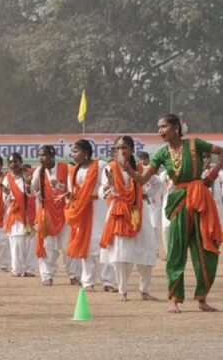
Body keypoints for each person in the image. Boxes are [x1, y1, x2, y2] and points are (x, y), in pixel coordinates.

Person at [133, 114, 223, 312]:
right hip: (179, 203)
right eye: (159, 127)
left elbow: (221, 152)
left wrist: (212, 175)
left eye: (164, 126)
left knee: (205, 250)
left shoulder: (194, 144)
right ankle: (173, 299)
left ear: (176, 128)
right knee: (176, 251)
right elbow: (141, 180)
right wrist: (128, 170)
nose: (160, 131)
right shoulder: (161, 154)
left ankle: (202, 298)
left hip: (199, 200)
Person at [100, 136, 155, 302]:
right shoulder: (110, 168)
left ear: (132, 149)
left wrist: (145, 194)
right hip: (118, 213)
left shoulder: (141, 168)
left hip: (139, 212)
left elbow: (157, 183)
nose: (121, 151)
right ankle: (122, 291)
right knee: (120, 254)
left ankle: (144, 290)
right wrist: (109, 189)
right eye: (118, 148)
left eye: (124, 147)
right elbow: (102, 191)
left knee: (147, 250)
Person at [64, 140, 110, 292]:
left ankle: (108, 281)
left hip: (100, 207)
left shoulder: (101, 165)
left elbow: (108, 185)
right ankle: (88, 282)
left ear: (86, 152)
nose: (73, 155)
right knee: (87, 244)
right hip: (82, 211)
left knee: (104, 243)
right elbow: (72, 191)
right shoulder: (74, 170)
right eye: (72, 152)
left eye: (76, 151)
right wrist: (67, 194)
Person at [32, 145, 69, 285]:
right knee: (47, 245)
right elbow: (33, 189)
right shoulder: (39, 171)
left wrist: (62, 188)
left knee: (68, 245)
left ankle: (74, 275)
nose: (40, 158)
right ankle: (47, 276)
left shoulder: (66, 168)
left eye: (44, 155)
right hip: (47, 213)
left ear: (52, 156)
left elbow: (73, 189)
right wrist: (37, 192)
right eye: (39, 155)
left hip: (64, 212)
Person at [2, 153, 36, 278]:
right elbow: (4, 199)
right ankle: (16, 269)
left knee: (30, 241)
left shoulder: (29, 175)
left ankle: (29, 269)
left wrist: (28, 182)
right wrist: (7, 194)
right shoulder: (7, 179)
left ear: (20, 162)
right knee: (16, 241)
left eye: (16, 161)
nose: (13, 164)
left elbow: (33, 193)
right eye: (10, 162)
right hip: (15, 213)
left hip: (29, 212)